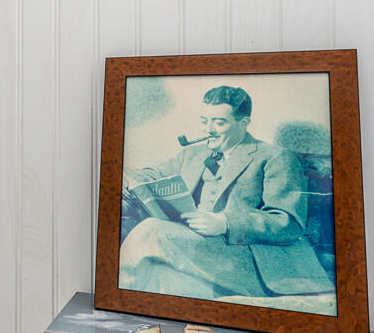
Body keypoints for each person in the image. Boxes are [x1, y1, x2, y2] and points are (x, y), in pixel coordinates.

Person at [119, 85, 334, 305]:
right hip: (200, 250)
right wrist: (127, 178)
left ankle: (115, 301)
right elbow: (153, 174)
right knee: (158, 275)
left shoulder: (275, 157)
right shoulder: (192, 154)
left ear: (244, 123)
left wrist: (226, 222)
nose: (208, 129)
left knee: (151, 230)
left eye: (219, 122)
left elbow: (288, 223)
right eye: (204, 121)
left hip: (247, 258)